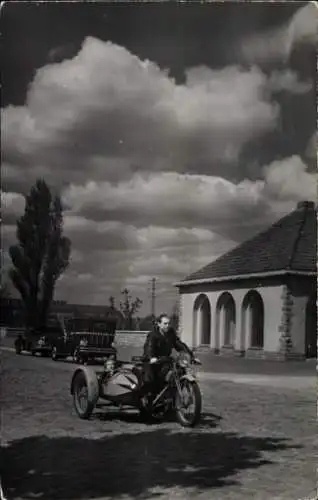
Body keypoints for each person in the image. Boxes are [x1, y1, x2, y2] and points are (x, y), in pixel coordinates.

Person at [141, 313, 195, 404]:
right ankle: (148, 400)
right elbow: (149, 347)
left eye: (169, 323)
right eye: (165, 323)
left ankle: (172, 397)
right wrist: (151, 357)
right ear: (158, 323)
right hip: (153, 361)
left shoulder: (170, 333)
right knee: (151, 379)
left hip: (166, 360)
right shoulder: (153, 335)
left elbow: (179, 344)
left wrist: (191, 355)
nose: (167, 326)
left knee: (178, 372)